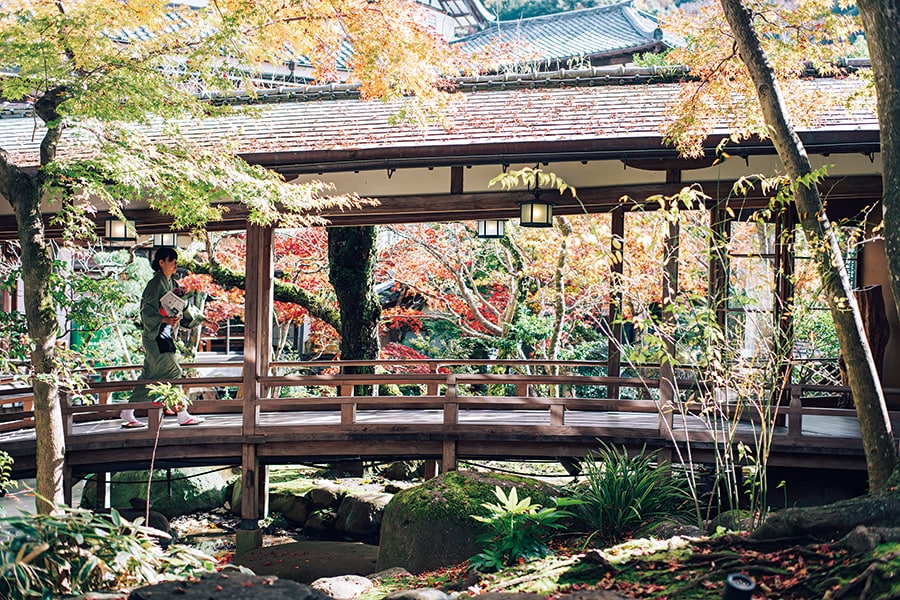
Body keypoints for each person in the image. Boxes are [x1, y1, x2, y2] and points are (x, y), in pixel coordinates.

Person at [120, 246, 219, 428]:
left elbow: (184, 308)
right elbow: (146, 311)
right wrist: (164, 318)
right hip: (156, 335)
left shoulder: (172, 283)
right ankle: (182, 413)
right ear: (161, 263)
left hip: (164, 334)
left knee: (149, 377)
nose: (175, 264)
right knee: (174, 372)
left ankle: (128, 410)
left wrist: (203, 320)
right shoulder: (155, 284)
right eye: (171, 261)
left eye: (175, 261)